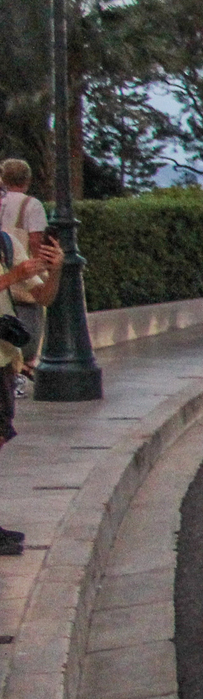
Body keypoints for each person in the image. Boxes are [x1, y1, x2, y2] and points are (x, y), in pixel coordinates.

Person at [0, 225, 62, 553]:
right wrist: (11, 277)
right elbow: (13, 279)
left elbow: (44, 297)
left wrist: (55, 270)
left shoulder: (6, 243)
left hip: (5, 359)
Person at [0, 158, 49, 347]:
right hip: (22, 280)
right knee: (25, 339)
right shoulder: (32, 204)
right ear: (27, 181)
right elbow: (36, 240)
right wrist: (42, 269)